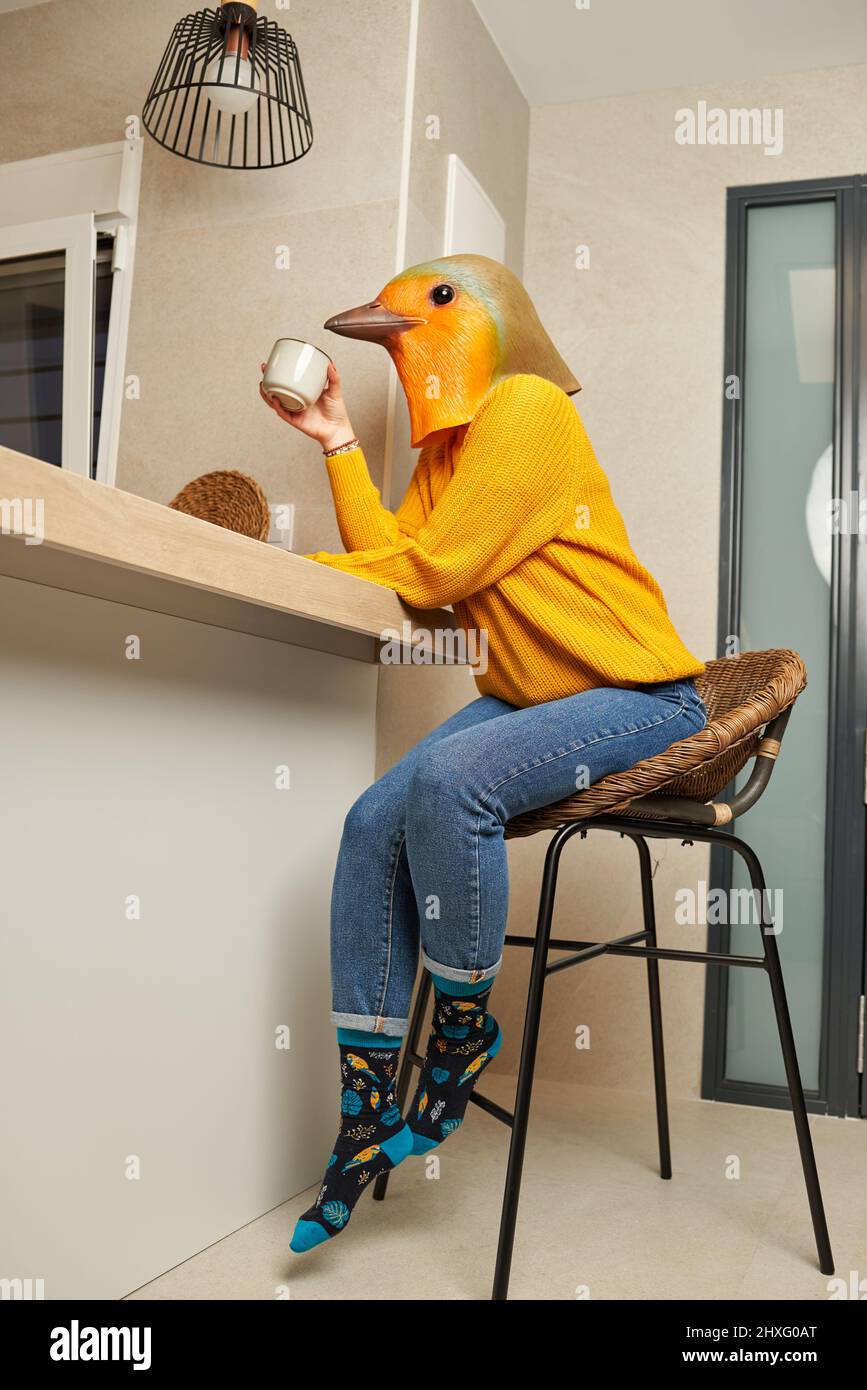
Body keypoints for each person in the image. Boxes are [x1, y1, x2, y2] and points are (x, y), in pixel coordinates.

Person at [259, 255, 707, 1253]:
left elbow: (441, 564)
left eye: (427, 306)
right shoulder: (446, 455)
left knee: (453, 783)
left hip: (643, 697)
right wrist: (338, 444)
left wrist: (293, 561)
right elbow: (416, 585)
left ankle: (459, 1042)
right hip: (529, 696)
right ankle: (368, 1112)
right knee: (373, 820)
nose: (397, 328)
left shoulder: (529, 406)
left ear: (488, 320)